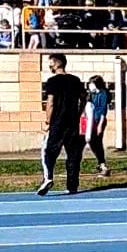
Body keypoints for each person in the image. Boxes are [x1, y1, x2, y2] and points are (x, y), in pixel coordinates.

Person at [38, 53, 86, 196]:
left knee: (48, 151)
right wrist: (78, 113)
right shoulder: (75, 80)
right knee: (73, 154)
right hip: (72, 123)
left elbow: (50, 103)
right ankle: (72, 185)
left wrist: (48, 122)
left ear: (56, 63)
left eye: (50, 62)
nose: (49, 65)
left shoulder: (52, 81)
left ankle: (48, 178)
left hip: (58, 123)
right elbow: (84, 98)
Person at [83, 75, 110, 177]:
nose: (90, 86)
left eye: (92, 83)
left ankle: (103, 165)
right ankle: (100, 163)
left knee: (98, 142)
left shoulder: (103, 93)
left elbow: (103, 110)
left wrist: (100, 125)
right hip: (91, 121)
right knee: (91, 141)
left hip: (99, 121)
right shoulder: (92, 94)